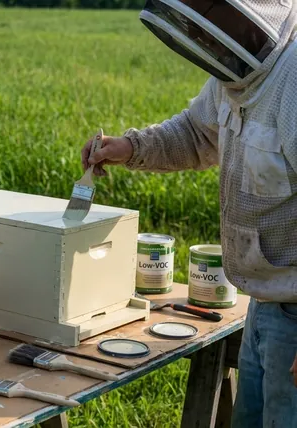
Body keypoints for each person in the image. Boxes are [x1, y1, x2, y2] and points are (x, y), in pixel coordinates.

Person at [79, 1, 297, 426]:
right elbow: (197, 133)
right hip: (264, 305)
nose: (203, 38)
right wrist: (129, 148)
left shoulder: (294, 83)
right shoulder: (234, 79)